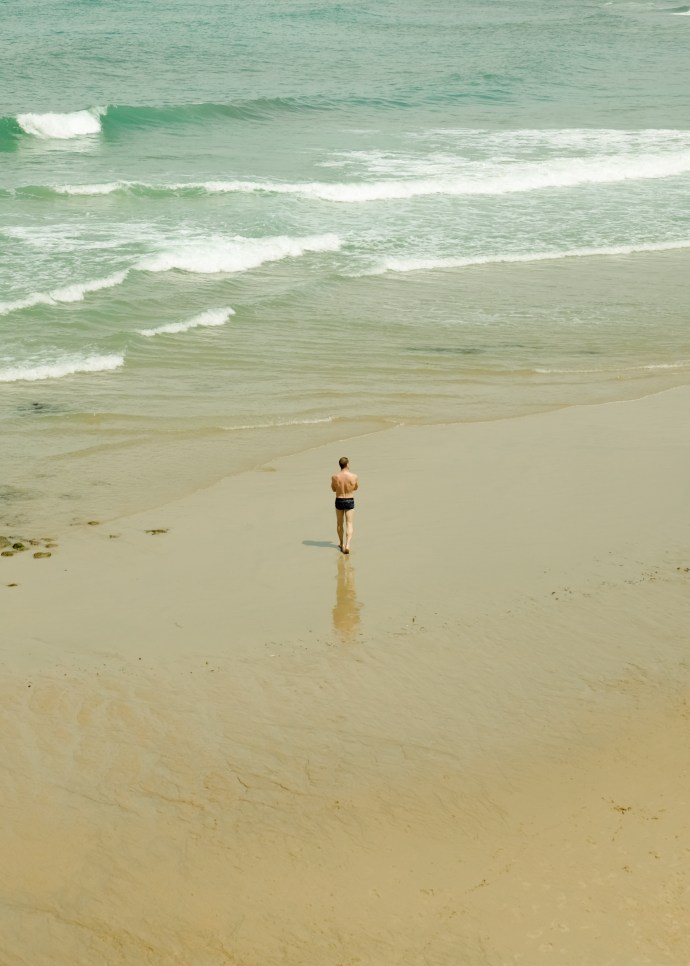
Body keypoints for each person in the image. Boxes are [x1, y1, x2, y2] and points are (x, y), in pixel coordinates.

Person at [331, 456, 358, 554]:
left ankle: (341, 543)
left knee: (339, 523)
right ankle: (347, 545)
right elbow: (355, 488)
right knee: (349, 523)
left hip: (339, 499)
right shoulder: (354, 476)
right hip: (349, 499)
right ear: (347, 464)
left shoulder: (334, 477)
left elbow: (333, 489)